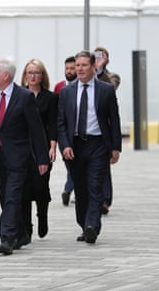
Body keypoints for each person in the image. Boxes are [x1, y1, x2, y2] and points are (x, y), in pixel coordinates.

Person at [0, 58, 49, 255]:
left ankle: (6, 238)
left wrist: (42, 159)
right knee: (5, 196)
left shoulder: (24, 97)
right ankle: (22, 232)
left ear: (5, 76)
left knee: (13, 197)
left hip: (19, 157)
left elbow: (37, 130)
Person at [57, 50, 122, 244]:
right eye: (77, 65)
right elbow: (61, 122)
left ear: (94, 67)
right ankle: (84, 224)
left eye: (84, 65)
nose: (79, 69)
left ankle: (92, 225)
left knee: (95, 185)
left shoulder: (106, 90)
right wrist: (65, 145)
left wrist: (116, 147)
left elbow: (114, 120)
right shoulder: (66, 92)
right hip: (75, 145)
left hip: (98, 144)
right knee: (81, 188)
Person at [19, 59, 58, 243]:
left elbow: (52, 125)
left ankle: (42, 216)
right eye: (29, 72)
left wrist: (52, 147)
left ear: (42, 76)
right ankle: (26, 227)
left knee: (41, 186)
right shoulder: (19, 96)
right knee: (24, 189)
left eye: (36, 72)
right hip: (23, 147)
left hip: (41, 147)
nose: (33, 76)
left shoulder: (50, 98)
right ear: (25, 76)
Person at [93, 46, 121, 215]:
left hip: (103, 131)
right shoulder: (84, 75)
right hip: (85, 131)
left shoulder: (112, 77)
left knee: (103, 166)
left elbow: (107, 87)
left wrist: (100, 69)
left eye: (101, 56)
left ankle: (105, 200)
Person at [54, 56, 77, 206]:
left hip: (79, 133)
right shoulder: (59, 87)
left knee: (77, 164)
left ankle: (69, 189)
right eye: (67, 68)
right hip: (63, 133)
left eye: (72, 68)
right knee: (69, 163)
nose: (69, 71)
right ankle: (69, 189)